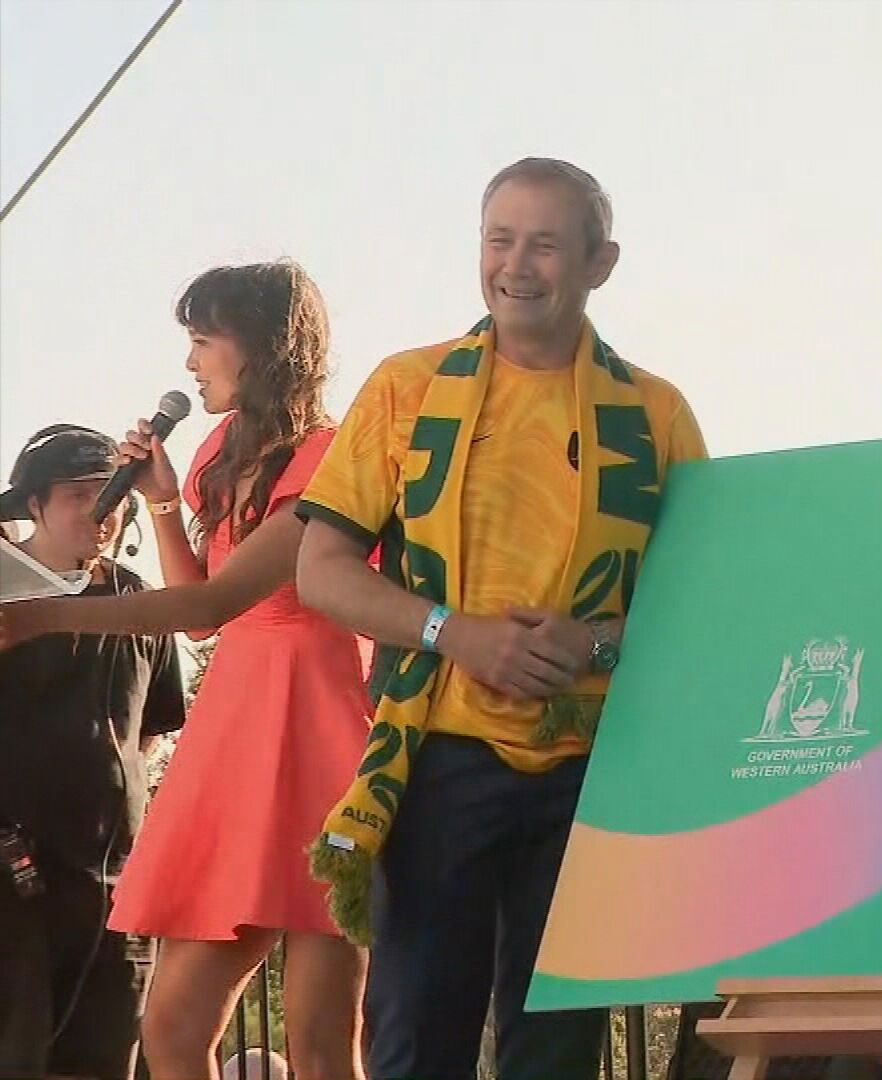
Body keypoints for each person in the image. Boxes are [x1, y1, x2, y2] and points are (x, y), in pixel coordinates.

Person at [295, 157, 707, 1078]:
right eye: (500, 240)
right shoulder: (407, 387)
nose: (517, 265)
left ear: (601, 263)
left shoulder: (656, 411)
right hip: (440, 755)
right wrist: (456, 632)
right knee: (415, 1040)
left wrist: (597, 642)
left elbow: (699, 606)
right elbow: (320, 571)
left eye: (546, 244)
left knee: (557, 1052)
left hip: (594, 771)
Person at [0, 262, 371, 1078]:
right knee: (170, 1029)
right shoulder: (214, 453)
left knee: (318, 1041)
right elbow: (201, 600)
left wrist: (37, 616)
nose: (191, 363)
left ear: (264, 348)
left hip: (316, 720)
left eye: (204, 341)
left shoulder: (331, 457)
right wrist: (165, 501)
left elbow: (217, 604)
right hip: (236, 724)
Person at [0, 425, 185, 1080]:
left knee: (103, 1057)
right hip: (14, 880)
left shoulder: (140, 602)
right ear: (34, 505)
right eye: (80, 495)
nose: (101, 511)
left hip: (115, 886)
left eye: (113, 495)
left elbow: (153, 731)